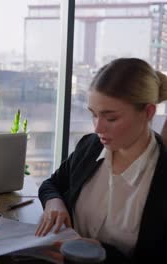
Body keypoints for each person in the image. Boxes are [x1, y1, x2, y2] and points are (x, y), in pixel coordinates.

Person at [35, 58, 167, 262]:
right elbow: (52, 184)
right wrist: (54, 202)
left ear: (148, 112)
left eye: (111, 118)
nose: (98, 128)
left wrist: (104, 255)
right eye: (94, 115)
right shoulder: (90, 146)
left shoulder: (161, 176)